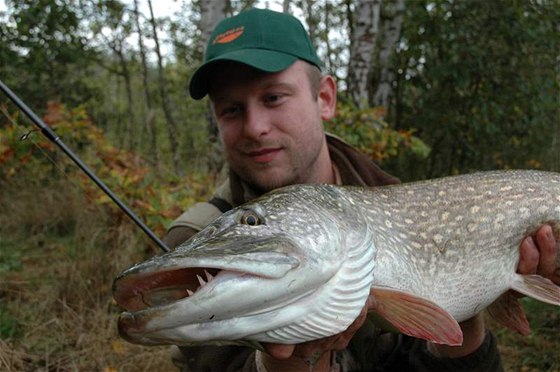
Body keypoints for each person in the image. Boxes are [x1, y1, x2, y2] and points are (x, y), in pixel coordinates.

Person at [164, 8, 559, 372]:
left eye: (273, 97)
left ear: (325, 98)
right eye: (231, 109)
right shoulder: (198, 243)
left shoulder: (401, 204)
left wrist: (468, 309)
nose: (254, 127)